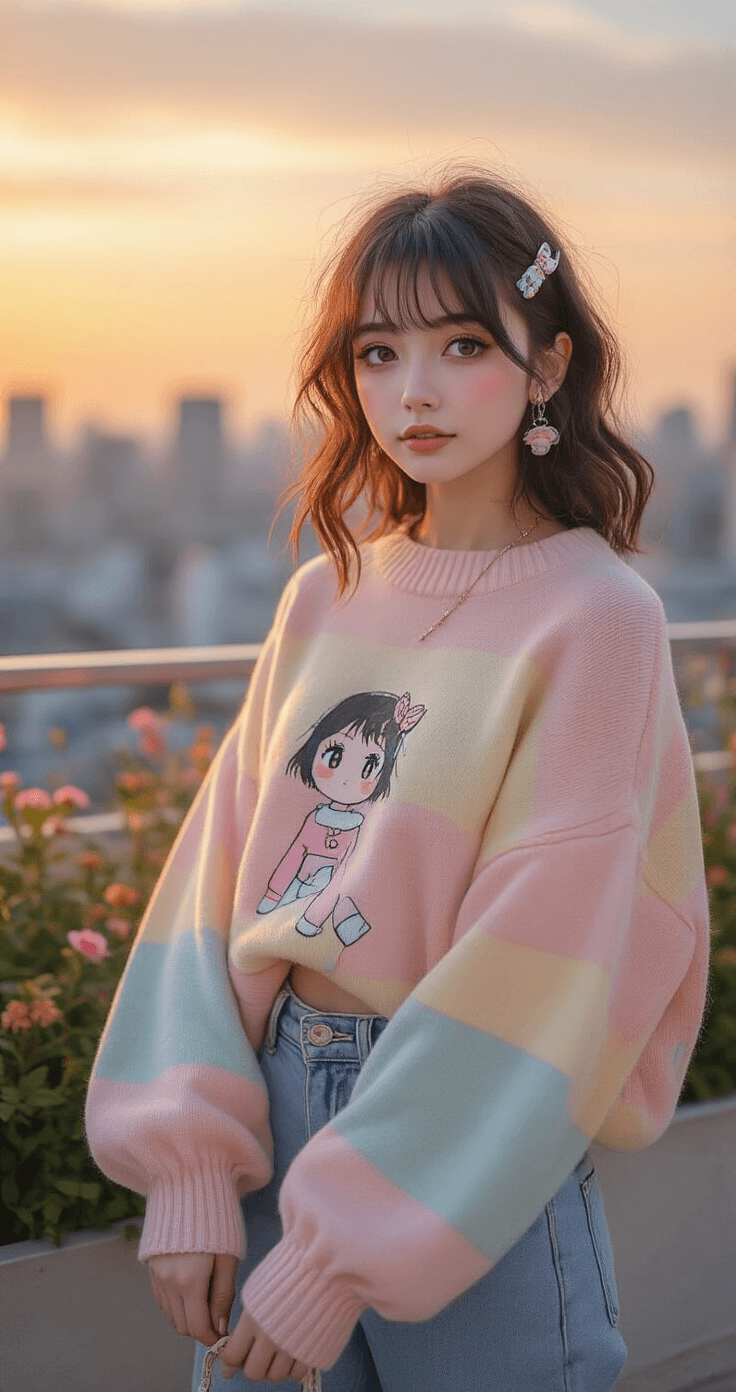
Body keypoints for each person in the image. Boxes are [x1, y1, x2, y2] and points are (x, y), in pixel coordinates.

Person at [86, 165, 710, 1392]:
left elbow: (541, 957)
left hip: (468, 1143)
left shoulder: (598, 619)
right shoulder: (326, 595)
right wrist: (191, 1167)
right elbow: (212, 883)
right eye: (377, 353)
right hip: (269, 1121)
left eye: (463, 343)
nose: (411, 391)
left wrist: (343, 1250)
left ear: (547, 367)